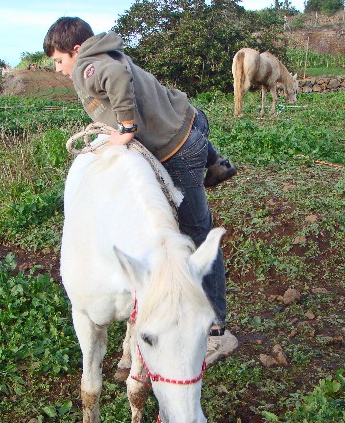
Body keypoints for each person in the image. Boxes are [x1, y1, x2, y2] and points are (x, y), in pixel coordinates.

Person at [44, 16, 238, 366]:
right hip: (188, 120)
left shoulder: (90, 65)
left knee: (195, 235)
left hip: (177, 148)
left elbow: (116, 81)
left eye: (59, 60)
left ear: (75, 50)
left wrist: (127, 128)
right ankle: (214, 161)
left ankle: (217, 331)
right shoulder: (110, 53)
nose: (58, 69)